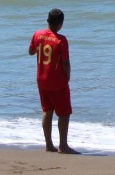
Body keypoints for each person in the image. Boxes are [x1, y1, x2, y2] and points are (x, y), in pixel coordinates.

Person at [28, 8, 78, 154]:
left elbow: (31, 52)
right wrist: (67, 77)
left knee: (47, 111)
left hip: (41, 79)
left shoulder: (37, 34)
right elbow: (65, 63)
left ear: (48, 20)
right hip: (57, 81)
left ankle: (49, 144)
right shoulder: (61, 40)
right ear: (61, 24)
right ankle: (63, 145)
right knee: (64, 113)